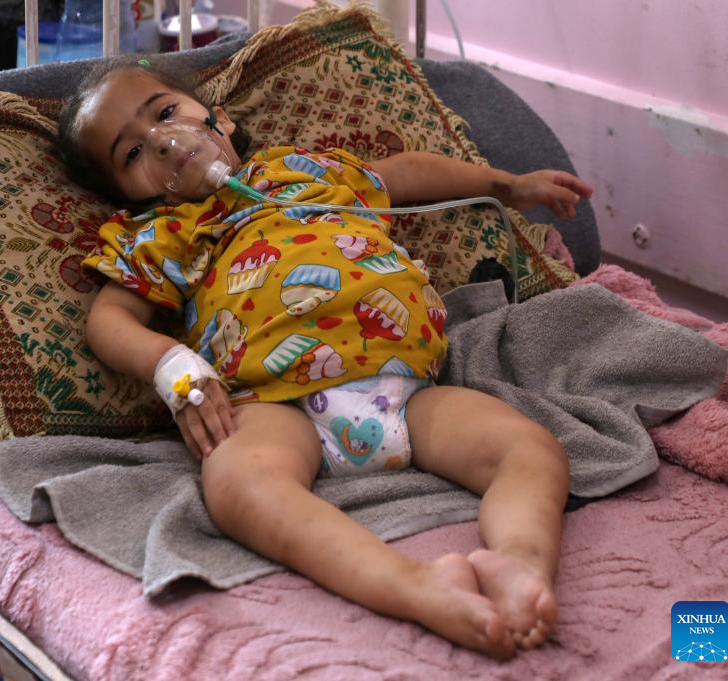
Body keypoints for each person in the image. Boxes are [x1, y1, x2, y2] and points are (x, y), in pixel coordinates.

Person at [57, 57, 594, 658]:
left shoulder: (304, 170)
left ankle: (519, 565)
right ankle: (414, 586)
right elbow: (109, 321)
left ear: (220, 118)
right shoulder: (162, 234)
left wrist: (508, 185)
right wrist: (173, 369)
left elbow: (409, 174)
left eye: (163, 112)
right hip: (275, 405)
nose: (162, 142)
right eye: (130, 155)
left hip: (409, 391)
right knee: (236, 483)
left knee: (530, 448)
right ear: (124, 195)